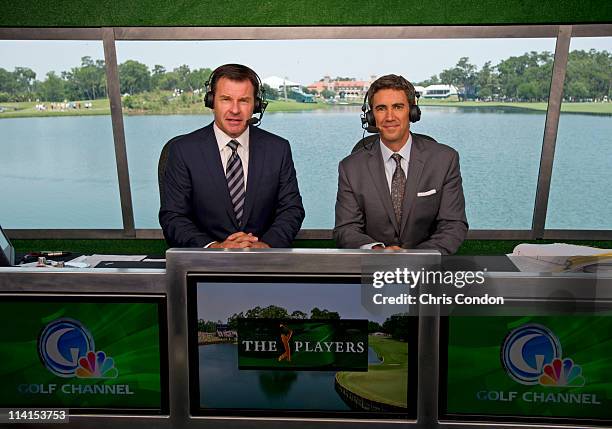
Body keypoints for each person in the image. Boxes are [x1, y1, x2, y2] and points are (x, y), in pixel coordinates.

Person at [159, 64, 305, 248]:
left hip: (264, 264)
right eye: (226, 99)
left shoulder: (278, 149)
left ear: (257, 104)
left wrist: (266, 245)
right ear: (212, 101)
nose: (235, 110)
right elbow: (173, 216)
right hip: (204, 267)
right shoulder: (182, 151)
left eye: (244, 100)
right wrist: (214, 247)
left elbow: (291, 210)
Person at [333, 74, 467, 255]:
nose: (389, 117)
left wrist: (413, 258)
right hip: (374, 270)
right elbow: (346, 229)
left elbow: (453, 225)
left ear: (412, 112)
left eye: (397, 107)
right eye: (381, 108)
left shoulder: (445, 159)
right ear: (371, 116)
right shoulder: (350, 168)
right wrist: (378, 251)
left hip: (428, 271)